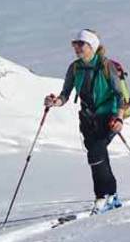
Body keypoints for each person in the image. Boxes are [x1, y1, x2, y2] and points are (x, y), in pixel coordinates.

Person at [45, 29, 124, 214]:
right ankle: (112, 195)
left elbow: (120, 95)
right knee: (99, 157)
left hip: (108, 118)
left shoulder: (106, 66)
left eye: (81, 44)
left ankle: (101, 198)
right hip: (88, 120)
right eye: (75, 44)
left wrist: (119, 117)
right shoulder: (74, 68)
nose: (76, 48)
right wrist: (55, 102)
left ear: (92, 46)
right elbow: (65, 94)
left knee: (96, 154)